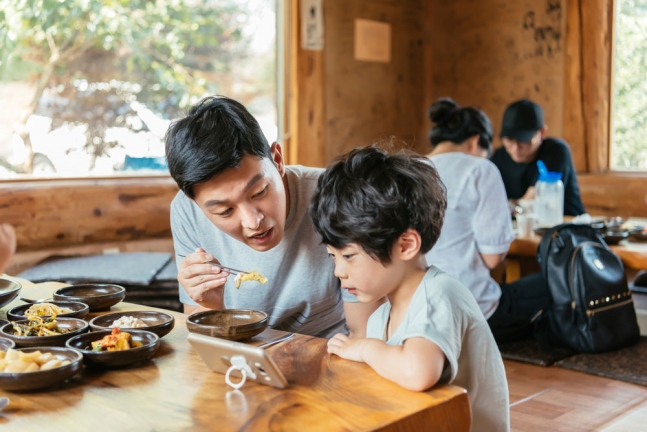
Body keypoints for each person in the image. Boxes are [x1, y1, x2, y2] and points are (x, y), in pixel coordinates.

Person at [309, 145, 510, 432]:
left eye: (349, 256)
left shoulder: (439, 295)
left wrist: (365, 347)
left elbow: (418, 372)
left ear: (406, 245)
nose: (338, 271)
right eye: (333, 257)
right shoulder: (381, 316)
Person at [164, 95, 380, 338]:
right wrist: (212, 306)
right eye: (225, 211)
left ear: (277, 160)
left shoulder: (334, 194)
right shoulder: (186, 211)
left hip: (330, 353)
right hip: (242, 356)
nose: (253, 222)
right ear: (194, 202)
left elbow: (365, 332)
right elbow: (203, 340)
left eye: (258, 192)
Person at [425, 98, 550, 344]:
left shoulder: (406, 168)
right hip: (473, 312)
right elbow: (493, 259)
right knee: (555, 280)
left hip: (415, 314)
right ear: (475, 141)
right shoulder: (480, 169)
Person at [490, 99, 586, 216]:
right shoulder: (498, 157)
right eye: (509, 140)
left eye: (523, 140)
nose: (515, 148)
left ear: (542, 132)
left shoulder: (556, 151)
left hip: (566, 227)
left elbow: (532, 200)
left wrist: (510, 206)